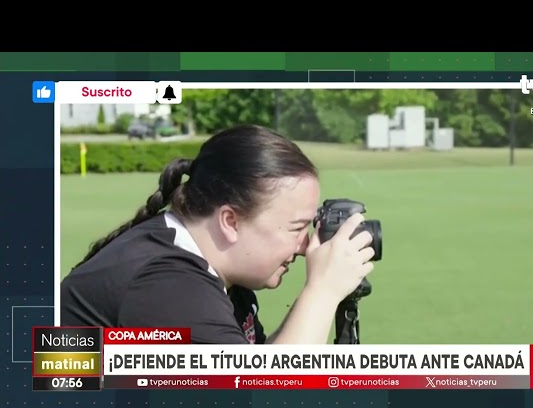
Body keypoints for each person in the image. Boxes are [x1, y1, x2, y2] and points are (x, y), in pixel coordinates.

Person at [60, 124, 375, 344]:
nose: (306, 245)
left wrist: (318, 300)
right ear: (230, 221)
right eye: (296, 228)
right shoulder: (167, 288)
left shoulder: (216, 272)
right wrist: (323, 292)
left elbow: (258, 366)